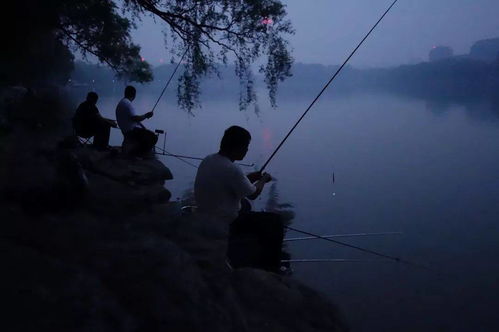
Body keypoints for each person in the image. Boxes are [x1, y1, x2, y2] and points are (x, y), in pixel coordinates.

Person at [194, 125, 284, 273]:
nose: (247, 150)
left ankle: (248, 246)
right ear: (237, 147)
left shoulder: (209, 160)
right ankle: (272, 267)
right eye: (246, 146)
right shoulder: (232, 169)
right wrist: (263, 180)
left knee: (245, 205)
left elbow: (230, 182)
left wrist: (250, 178)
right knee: (275, 222)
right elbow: (253, 193)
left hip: (205, 213)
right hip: (224, 220)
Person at [115, 85, 158, 156]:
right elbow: (135, 118)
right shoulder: (128, 104)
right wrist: (146, 115)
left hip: (125, 129)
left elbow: (132, 119)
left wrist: (142, 126)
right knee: (153, 137)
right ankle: (140, 154)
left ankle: (136, 151)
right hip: (131, 131)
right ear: (134, 95)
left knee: (146, 133)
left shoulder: (122, 102)